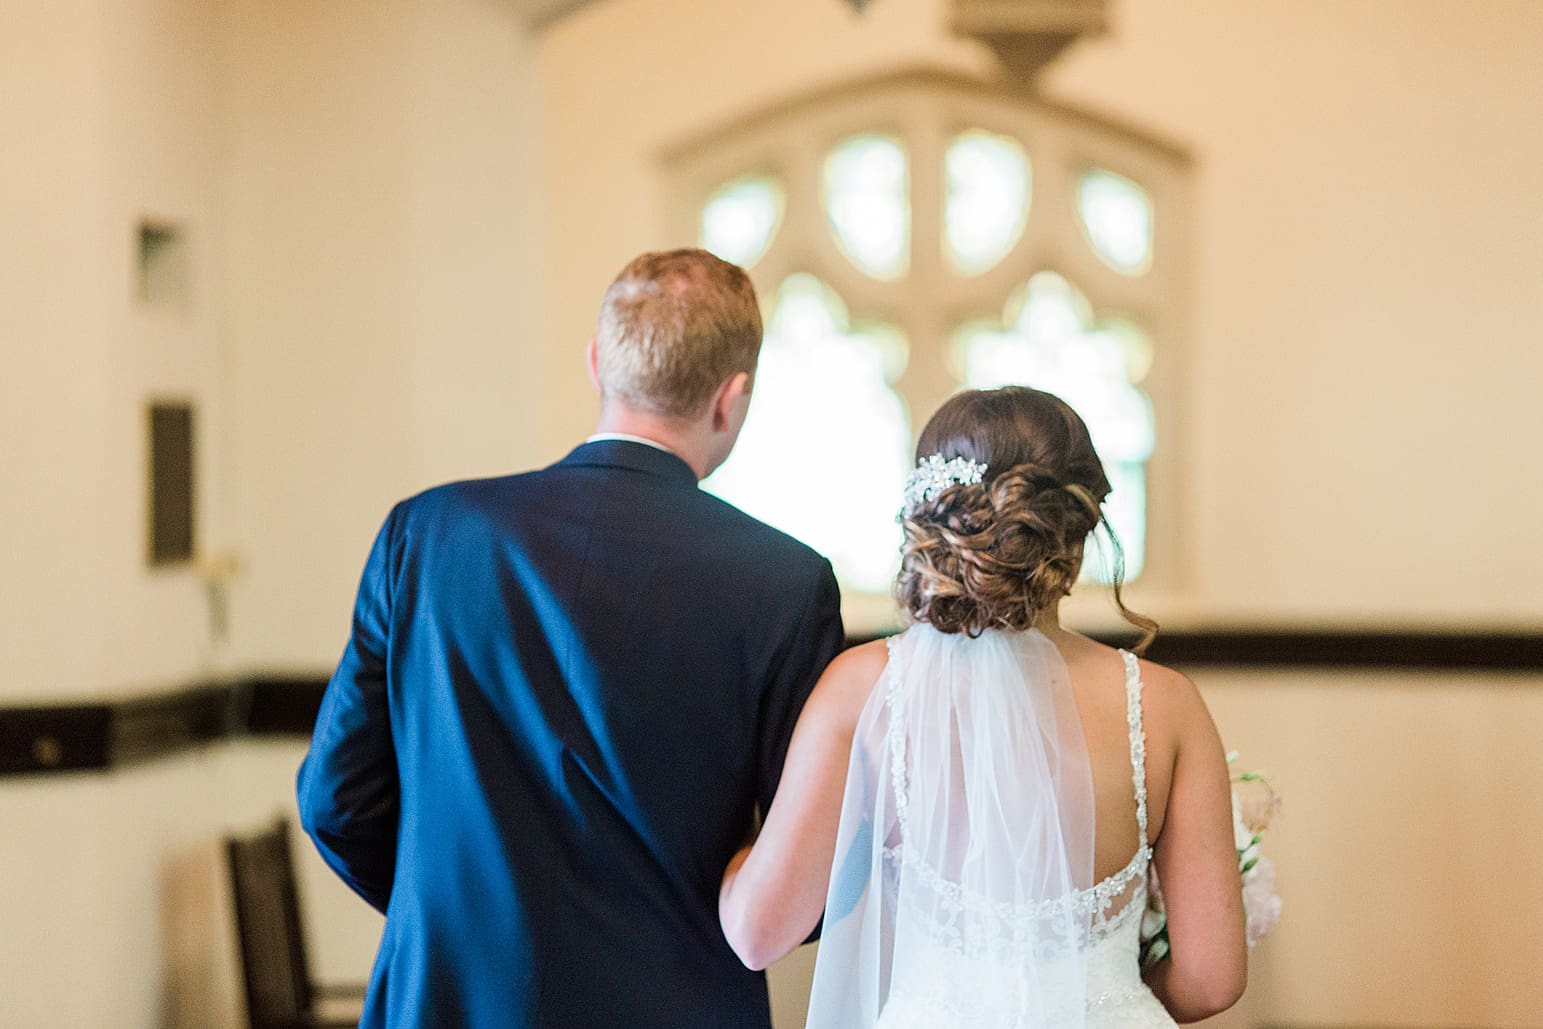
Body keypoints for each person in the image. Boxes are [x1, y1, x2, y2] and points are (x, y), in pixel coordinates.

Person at [297, 249, 845, 1028]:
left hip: (447, 1002)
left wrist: (464, 922)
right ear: (732, 397)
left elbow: (335, 799)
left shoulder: (426, 534)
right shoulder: (784, 582)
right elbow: (805, 870)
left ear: (597, 366)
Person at [719, 386, 1247, 1027]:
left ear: (930, 521)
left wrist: (735, 853)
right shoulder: (1167, 706)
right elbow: (1212, 979)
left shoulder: (861, 691)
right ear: (1077, 533)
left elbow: (757, 934)